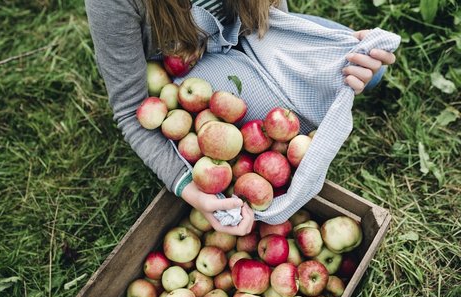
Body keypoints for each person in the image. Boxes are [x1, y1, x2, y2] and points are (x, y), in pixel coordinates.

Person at [85, 0, 396, 236]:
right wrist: (192, 192)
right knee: (266, 139)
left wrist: (324, 48)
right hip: (189, 71)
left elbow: (270, 15)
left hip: (247, 33)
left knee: (368, 68)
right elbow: (129, 111)